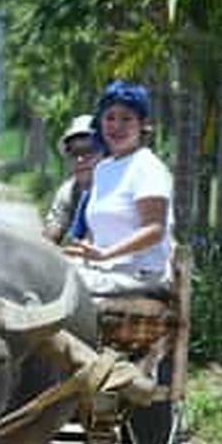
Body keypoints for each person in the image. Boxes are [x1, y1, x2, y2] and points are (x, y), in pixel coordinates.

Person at [64, 80, 173, 295]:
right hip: (104, 270)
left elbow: (155, 229)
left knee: (60, 287)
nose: (117, 126)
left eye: (126, 119)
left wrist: (106, 255)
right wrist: (82, 253)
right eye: (110, 118)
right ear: (100, 123)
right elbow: (97, 233)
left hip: (140, 274)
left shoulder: (148, 166)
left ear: (142, 124)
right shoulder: (103, 169)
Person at [43, 114, 100, 244]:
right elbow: (54, 229)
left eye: (88, 151)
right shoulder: (68, 191)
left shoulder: (118, 188)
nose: (80, 159)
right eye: (74, 153)